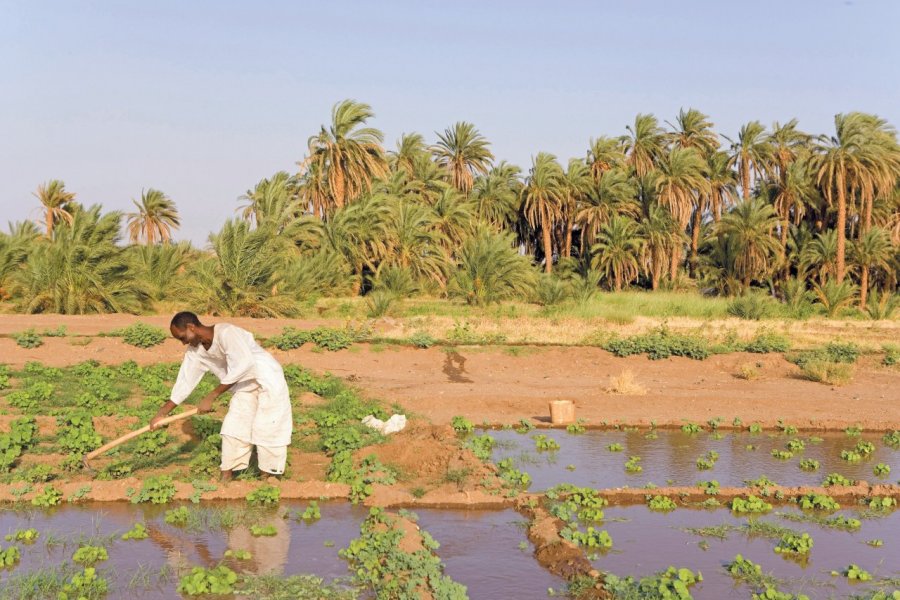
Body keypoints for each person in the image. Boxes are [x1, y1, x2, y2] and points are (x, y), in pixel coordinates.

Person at [150, 312, 292, 481]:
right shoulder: (195, 351)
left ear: (191, 327)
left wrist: (212, 396)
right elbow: (185, 382)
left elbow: (244, 365)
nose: (183, 343)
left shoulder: (226, 333)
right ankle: (226, 478)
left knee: (268, 427)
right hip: (243, 385)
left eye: (182, 337)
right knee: (233, 428)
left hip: (267, 378)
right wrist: (162, 413)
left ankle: (269, 478)